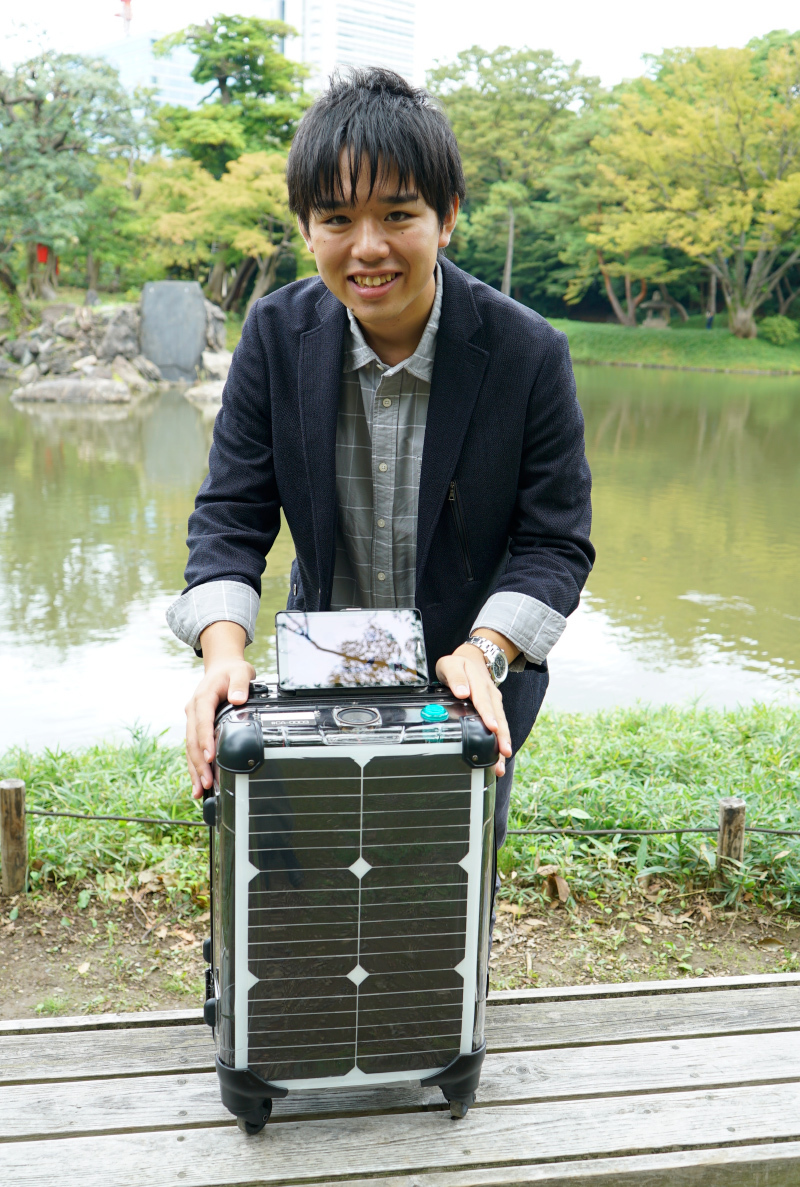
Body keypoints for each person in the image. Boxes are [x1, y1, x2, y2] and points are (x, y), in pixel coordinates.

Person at [167, 67, 594, 858]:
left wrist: (486, 650)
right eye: (337, 217)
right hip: (314, 681)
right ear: (306, 227)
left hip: (466, 688)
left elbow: (554, 542)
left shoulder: (528, 352)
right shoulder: (273, 334)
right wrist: (222, 652)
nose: (368, 248)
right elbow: (231, 514)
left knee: (440, 891)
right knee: (299, 884)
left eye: (398, 214)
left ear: (448, 217)